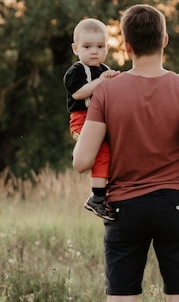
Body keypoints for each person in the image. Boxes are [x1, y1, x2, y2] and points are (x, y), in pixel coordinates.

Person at [72, 4, 179, 302]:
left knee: (122, 295)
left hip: (123, 207)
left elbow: (82, 162)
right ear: (164, 40)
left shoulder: (105, 91)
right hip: (175, 205)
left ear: (126, 46)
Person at [63, 18, 119, 220]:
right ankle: (96, 198)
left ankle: (110, 188)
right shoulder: (76, 71)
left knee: (115, 148)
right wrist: (101, 83)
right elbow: (78, 93)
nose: (94, 51)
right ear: (75, 48)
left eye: (100, 46)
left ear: (107, 48)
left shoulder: (104, 70)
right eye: (87, 47)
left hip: (102, 119)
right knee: (101, 152)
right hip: (82, 120)